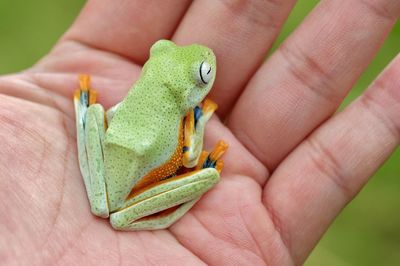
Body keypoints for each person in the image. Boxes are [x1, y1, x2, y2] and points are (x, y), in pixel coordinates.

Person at [0, 1, 399, 265]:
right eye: (203, 77)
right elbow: (188, 159)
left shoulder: (151, 85)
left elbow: (116, 114)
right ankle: (138, 210)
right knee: (203, 171)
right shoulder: (179, 113)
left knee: (97, 111)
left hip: (115, 149)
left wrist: (93, 114)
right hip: (129, 188)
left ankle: (92, 129)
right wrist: (200, 126)